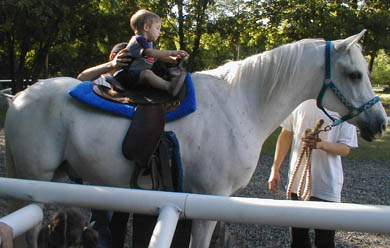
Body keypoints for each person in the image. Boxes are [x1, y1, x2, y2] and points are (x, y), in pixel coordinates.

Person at [268, 99, 358, 248]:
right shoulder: (299, 101)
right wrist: (275, 169)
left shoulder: (344, 108)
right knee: (298, 240)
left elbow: (345, 148)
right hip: (297, 185)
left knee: (325, 241)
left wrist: (321, 145)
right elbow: (286, 134)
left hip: (327, 186)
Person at [115, 9, 189, 96]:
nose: (159, 32)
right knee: (147, 73)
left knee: (149, 74)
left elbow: (159, 57)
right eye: (157, 28)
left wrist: (174, 60)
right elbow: (151, 53)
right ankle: (170, 87)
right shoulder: (139, 40)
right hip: (125, 76)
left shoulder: (148, 43)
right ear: (146, 27)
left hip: (135, 76)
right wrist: (172, 52)